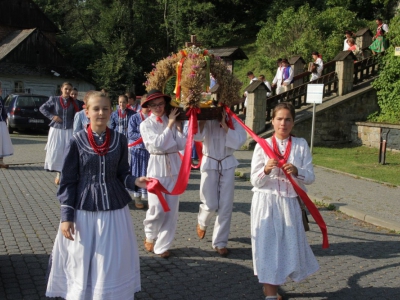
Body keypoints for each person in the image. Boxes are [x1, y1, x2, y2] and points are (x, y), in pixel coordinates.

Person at [45, 91, 149, 299]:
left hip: (114, 210)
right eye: (96, 108)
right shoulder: (76, 141)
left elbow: (122, 173)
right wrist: (67, 217)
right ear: (86, 111)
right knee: (82, 257)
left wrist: (135, 181)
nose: (101, 113)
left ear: (111, 111)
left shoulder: (119, 139)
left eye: (105, 108)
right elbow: (67, 181)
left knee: (111, 258)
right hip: (84, 209)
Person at [250, 102, 319, 300]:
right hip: (266, 203)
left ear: (293, 122)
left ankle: (273, 286)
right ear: (272, 121)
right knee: (267, 247)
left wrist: (297, 171)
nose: (283, 123)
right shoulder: (262, 145)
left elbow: (311, 177)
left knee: (287, 248)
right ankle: (270, 293)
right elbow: (255, 180)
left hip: (289, 203)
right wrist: (265, 170)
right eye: (279, 119)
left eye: (287, 119)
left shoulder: (301, 144)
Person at [140, 89, 186, 258]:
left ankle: (162, 245)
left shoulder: (172, 120)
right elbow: (158, 145)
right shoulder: (146, 124)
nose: (158, 107)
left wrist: (179, 128)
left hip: (174, 167)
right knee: (157, 208)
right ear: (149, 106)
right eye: (154, 105)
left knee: (172, 210)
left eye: (160, 104)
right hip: (156, 169)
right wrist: (170, 126)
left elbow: (181, 144)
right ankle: (150, 234)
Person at [195, 110, 247, 256]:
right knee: (210, 204)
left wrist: (225, 126)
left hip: (227, 162)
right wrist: (203, 119)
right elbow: (196, 136)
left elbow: (240, 140)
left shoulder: (234, 119)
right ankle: (203, 221)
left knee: (226, 205)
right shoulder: (207, 115)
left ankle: (220, 242)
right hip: (209, 161)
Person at [40, 82, 79, 185]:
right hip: (57, 129)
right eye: (66, 89)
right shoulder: (54, 99)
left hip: (69, 129)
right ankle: (58, 173)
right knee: (57, 151)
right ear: (61, 89)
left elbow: (78, 114)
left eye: (69, 89)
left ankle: (66, 174)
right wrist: (52, 116)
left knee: (68, 151)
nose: (68, 91)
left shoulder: (74, 102)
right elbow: (42, 108)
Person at [128, 94, 150, 209]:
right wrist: (145, 136)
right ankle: (137, 197)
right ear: (141, 104)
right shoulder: (134, 117)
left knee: (149, 174)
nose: (148, 106)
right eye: (145, 104)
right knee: (137, 173)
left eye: (149, 104)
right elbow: (131, 134)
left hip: (149, 151)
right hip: (137, 150)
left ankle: (151, 197)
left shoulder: (153, 118)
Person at [0, 82, 14, 168]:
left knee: (2, 142)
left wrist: (5, 120)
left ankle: (1, 161)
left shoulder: (0, 99)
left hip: (1, 122)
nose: (1, 90)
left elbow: (4, 111)